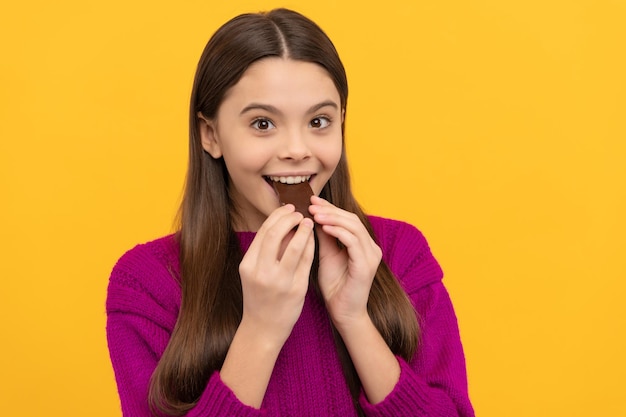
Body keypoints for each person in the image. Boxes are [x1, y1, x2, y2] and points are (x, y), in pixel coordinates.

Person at [106, 8, 474, 417]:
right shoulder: (148, 284)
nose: (298, 149)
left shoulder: (399, 253)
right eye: (263, 124)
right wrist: (261, 330)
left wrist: (354, 318)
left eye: (319, 121)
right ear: (210, 135)